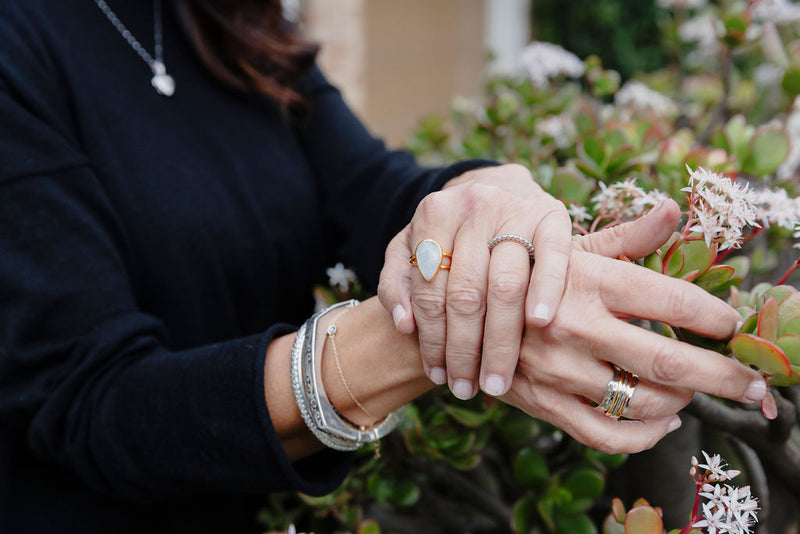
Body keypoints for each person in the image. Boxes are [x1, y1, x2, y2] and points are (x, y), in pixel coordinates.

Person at [0, 0, 766, 532]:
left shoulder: (224, 18)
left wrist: (488, 205)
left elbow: (365, 187)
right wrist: (430, 333)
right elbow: (92, 400)